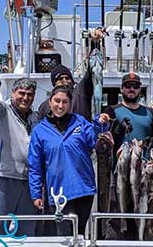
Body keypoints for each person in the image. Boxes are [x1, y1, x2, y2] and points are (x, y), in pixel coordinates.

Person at [28, 85, 110, 236]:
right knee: (64, 234)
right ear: (50, 102)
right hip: (59, 191)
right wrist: (36, 194)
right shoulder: (39, 131)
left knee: (80, 233)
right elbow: (35, 166)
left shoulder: (80, 123)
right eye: (57, 101)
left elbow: (94, 141)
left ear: (70, 104)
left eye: (65, 102)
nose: (60, 106)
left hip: (83, 188)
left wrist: (100, 124)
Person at [104, 72, 153, 240]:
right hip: (120, 171)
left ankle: (142, 242)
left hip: (144, 173)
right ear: (122, 89)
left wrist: (150, 141)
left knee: (141, 209)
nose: (131, 89)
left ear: (140, 90)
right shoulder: (112, 110)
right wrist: (119, 128)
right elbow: (106, 137)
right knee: (118, 212)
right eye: (128, 86)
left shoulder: (150, 112)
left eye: (135, 86)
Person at [0, 76, 39, 236]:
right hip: (3, 179)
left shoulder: (35, 117)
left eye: (29, 94)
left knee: (26, 231)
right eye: (21, 93)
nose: (25, 98)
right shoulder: (3, 110)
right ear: (12, 93)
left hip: (28, 181)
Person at [37, 29, 106, 122]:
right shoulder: (45, 106)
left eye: (67, 77)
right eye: (60, 78)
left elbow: (90, 73)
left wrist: (94, 42)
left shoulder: (80, 92)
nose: (65, 80)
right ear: (54, 84)